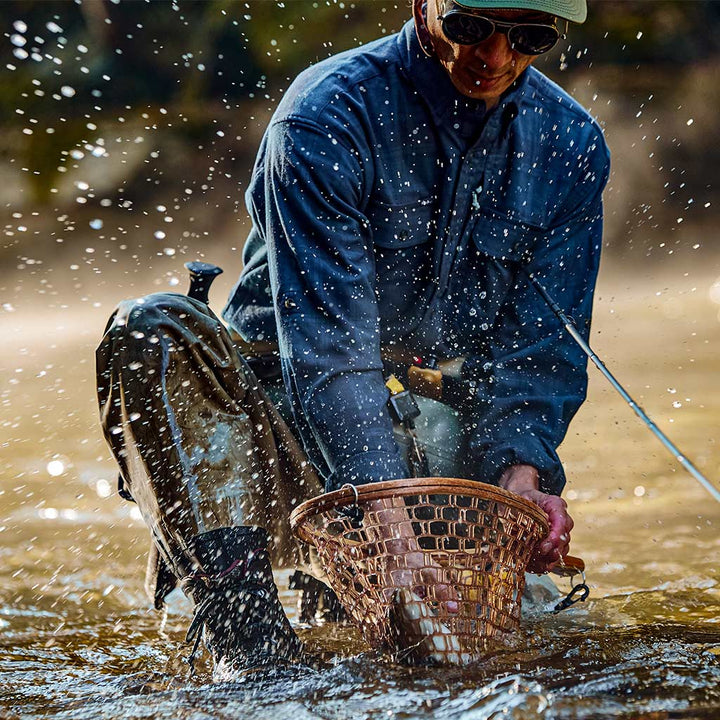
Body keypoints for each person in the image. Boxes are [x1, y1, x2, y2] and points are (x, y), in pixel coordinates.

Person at [97, 0, 609, 675]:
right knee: (150, 329)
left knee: (483, 660)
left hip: (431, 434)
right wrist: (391, 541)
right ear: (425, 6)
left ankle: (373, 596)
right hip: (278, 430)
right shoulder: (325, 116)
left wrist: (520, 482)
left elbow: (540, 359)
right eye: (470, 27)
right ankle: (250, 652)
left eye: (528, 37)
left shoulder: (570, 146)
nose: (493, 56)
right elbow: (331, 353)